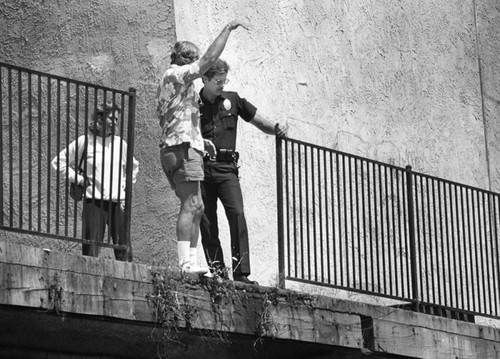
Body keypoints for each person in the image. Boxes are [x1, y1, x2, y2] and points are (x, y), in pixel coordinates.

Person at [156, 21, 248, 274]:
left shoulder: (176, 85)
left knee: (196, 205)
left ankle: (192, 261)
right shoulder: (176, 74)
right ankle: (185, 262)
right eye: (194, 61)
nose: (199, 68)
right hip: (181, 149)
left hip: (183, 145)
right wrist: (227, 30)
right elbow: (208, 59)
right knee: (191, 203)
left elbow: (177, 117)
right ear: (186, 60)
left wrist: (200, 140)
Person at [199, 59, 287, 284]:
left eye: (224, 80)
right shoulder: (193, 104)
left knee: (237, 214)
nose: (222, 85)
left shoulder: (232, 100)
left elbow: (257, 121)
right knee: (207, 222)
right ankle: (218, 272)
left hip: (227, 168)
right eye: (218, 81)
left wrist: (276, 129)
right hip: (201, 168)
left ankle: (241, 273)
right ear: (205, 79)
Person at [51, 102, 139, 261]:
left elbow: (134, 167)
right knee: (90, 253)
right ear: (100, 117)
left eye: (117, 119)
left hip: (117, 203)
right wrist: (77, 179)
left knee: (124, 252)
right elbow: (58, 161)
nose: (115, 122)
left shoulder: (120, 144)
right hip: (93, 202)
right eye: (111, 118)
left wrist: (125, 186)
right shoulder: (85, 141)